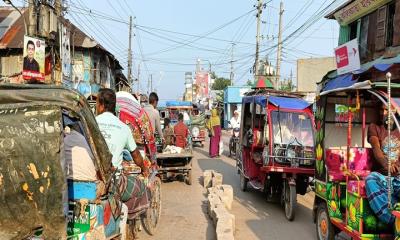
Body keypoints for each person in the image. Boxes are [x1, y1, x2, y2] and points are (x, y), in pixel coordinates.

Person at [96, 88, 149, 219]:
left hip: (94, 178)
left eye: (96, 103)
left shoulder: (92, 123)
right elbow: (136, 155)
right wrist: (144, 169)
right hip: (114, 182)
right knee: (142, 188)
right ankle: (125, 217)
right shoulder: (123, 127)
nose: (96, 106)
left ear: (102, 105)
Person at [365, 103, 400, 225]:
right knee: (370, 179)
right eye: (381, 110)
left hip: (399, 178)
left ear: (395, 111)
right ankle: (394, 221)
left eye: (386, 110)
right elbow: (376, 149)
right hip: (383, 178)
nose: (383, 113)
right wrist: (387, 165)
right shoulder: (374, 127)